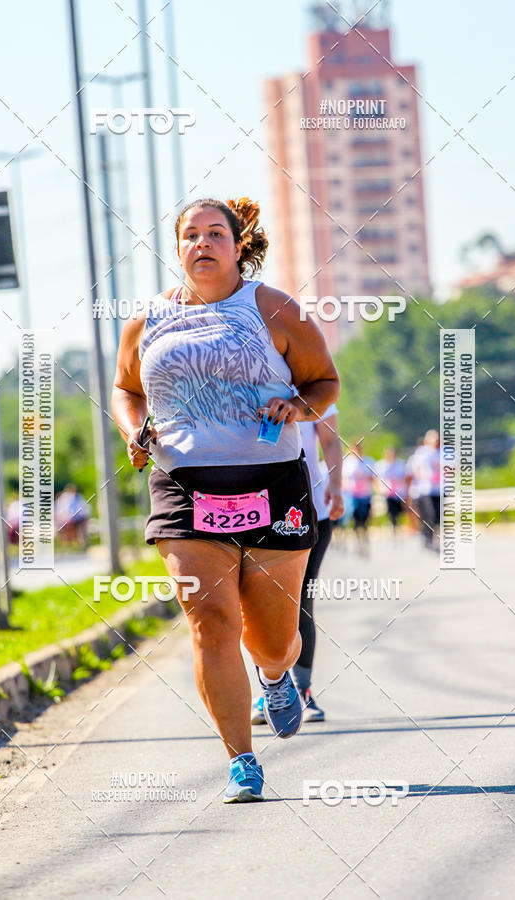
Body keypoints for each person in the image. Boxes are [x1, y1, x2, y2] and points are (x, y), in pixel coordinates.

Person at [111, 196, 340, 803]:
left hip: (272, 482)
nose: (203, 243)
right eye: (191, 234)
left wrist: (298, 405)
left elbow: (324, 380)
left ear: (238, 246)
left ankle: (275, 674)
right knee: (211, 626)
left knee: (270, 638)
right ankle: (241, 760)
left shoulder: (274, 309)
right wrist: (134, 431)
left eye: (216, 233)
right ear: (177, 245)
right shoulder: (146, 320)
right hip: (185, 485)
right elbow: (125, 388)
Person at [251, 405, 344, 725]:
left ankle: (303, 691)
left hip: (310, 509)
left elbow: (330, 439)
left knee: (300, 602)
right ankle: (268, 689)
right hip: (253, 509)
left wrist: (336, 485)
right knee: (255, 606)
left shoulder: (309, 377)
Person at [342, 441, 376, 556]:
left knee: (365, 519)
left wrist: (365, 477)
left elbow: (374, 478)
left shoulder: (368, 461)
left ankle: (365, 539)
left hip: (365, 495)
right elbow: (343, 479)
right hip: (352, 496)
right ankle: (357, 542)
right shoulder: (347, 463)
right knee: (355, 519)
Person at [411, 430, 441, 550]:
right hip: (426, 490)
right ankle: (428, 537)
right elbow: (416, 470)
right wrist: (422, 475)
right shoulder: (422, 453)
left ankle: (434, 538)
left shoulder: (443, 453)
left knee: (438, 516)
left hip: (439, 490)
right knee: (429, 514)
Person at [376, 447, 407, 538]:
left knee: (399, 513)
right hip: (387, 493)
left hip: (399, 493)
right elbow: (376, 479)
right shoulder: (381, 465)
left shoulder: (401, 464)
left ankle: (398, 528)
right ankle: (393, 529)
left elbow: (405, 478)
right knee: (391, 513)